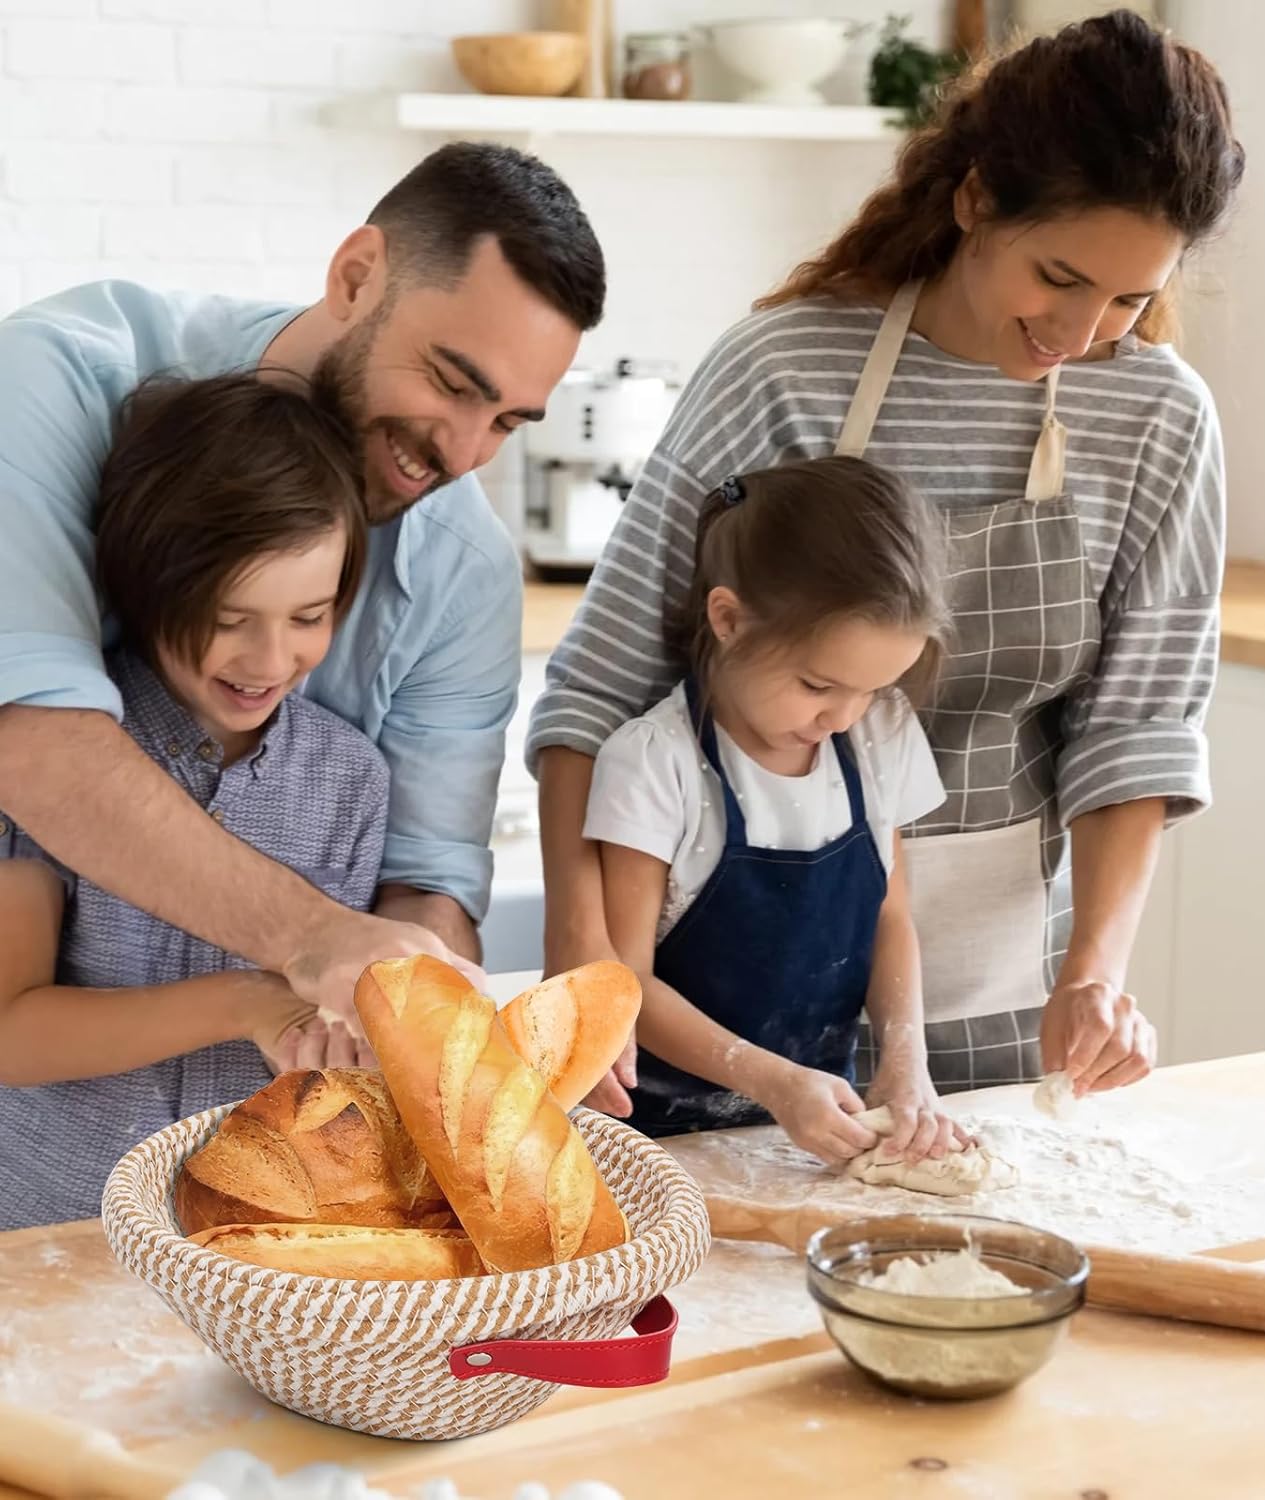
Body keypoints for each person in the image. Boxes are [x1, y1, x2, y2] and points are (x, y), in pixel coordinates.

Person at [529, 10, 1245, 1130]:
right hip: (730, 1015)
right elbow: (601, 685)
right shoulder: (786, 368)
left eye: (1128, 300)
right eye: (1058, 276)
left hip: (1012, 998)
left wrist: (1095, 975)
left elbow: (1136, 726)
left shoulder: (1158, 414)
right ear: (975, 199)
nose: (1079, 331)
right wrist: (586, 956)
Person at [0, 141, 605, 1031]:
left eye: (507, 422)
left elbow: (427, 885)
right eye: (450, 382)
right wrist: (313, 938)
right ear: (357, 277)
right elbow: (32, 741)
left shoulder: (465, 568)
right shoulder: (53, 382)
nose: (463, 452)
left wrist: (414, 1018)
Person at [0, 374, 388, 1229]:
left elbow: (331, 1053)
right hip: (49, 1230)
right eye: (228, 617)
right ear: (144, 587)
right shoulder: (56, 758)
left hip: (244, 1244)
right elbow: (11, 1033)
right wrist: (249, 1004)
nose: (270, 660)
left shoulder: (351, 781)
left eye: (309, 616)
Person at [583, 457, 964, 1164]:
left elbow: (890, 918)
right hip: (658, 1142)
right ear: (728, 619)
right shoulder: (655, 763)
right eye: (819, 685)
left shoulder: (880, 735)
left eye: (872, 689)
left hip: (814, 1136)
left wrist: (905, 1060)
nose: (843, 717)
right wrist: (772, 1081)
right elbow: (626, 982)